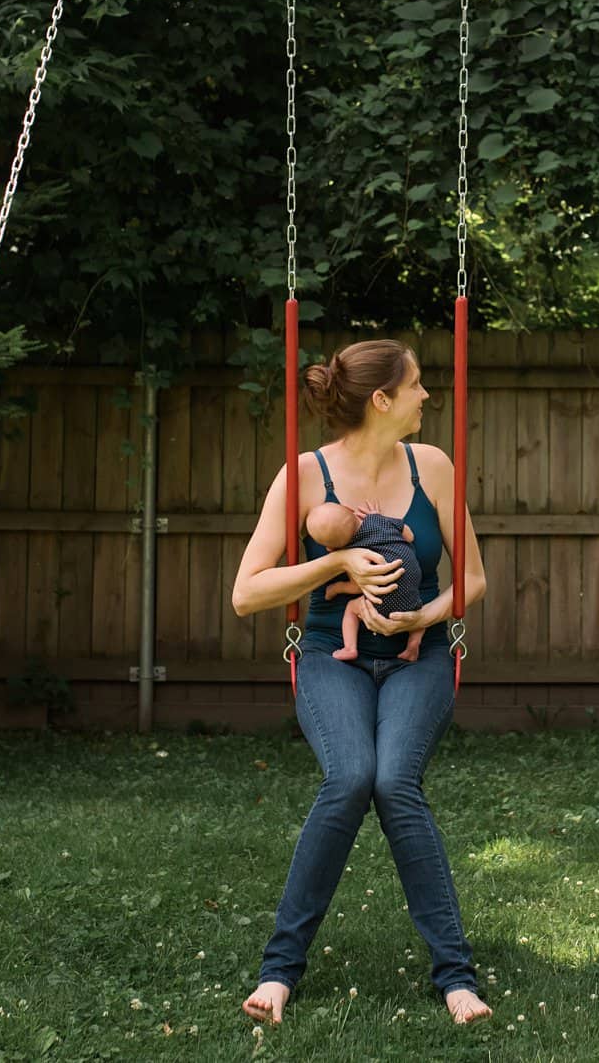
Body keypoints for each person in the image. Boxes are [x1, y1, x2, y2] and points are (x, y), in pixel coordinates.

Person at [230, 339, 492, 1027]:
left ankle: (455, 976)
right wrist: (336, 560)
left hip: (419, 652)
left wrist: (424, 612)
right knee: (350, 776)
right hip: (327, 651)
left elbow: (473, 579)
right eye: (416, 384)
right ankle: (279, 971)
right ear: (382, 398)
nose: (426, 396)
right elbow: (246, 592)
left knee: (393, 781)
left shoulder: (431, 466)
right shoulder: (305, 475)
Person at [302, 499, 424, 663]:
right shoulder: (377, 520)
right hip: (411, 588)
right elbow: (409, 535)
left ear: (330, 549)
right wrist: (379, 518)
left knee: (351, 609)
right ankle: (413, 644)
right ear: (349, 509)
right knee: (418, 617)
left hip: (381, 603)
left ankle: (350, 648)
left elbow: (357, 586)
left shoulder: (353, 553)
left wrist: (336, 588)